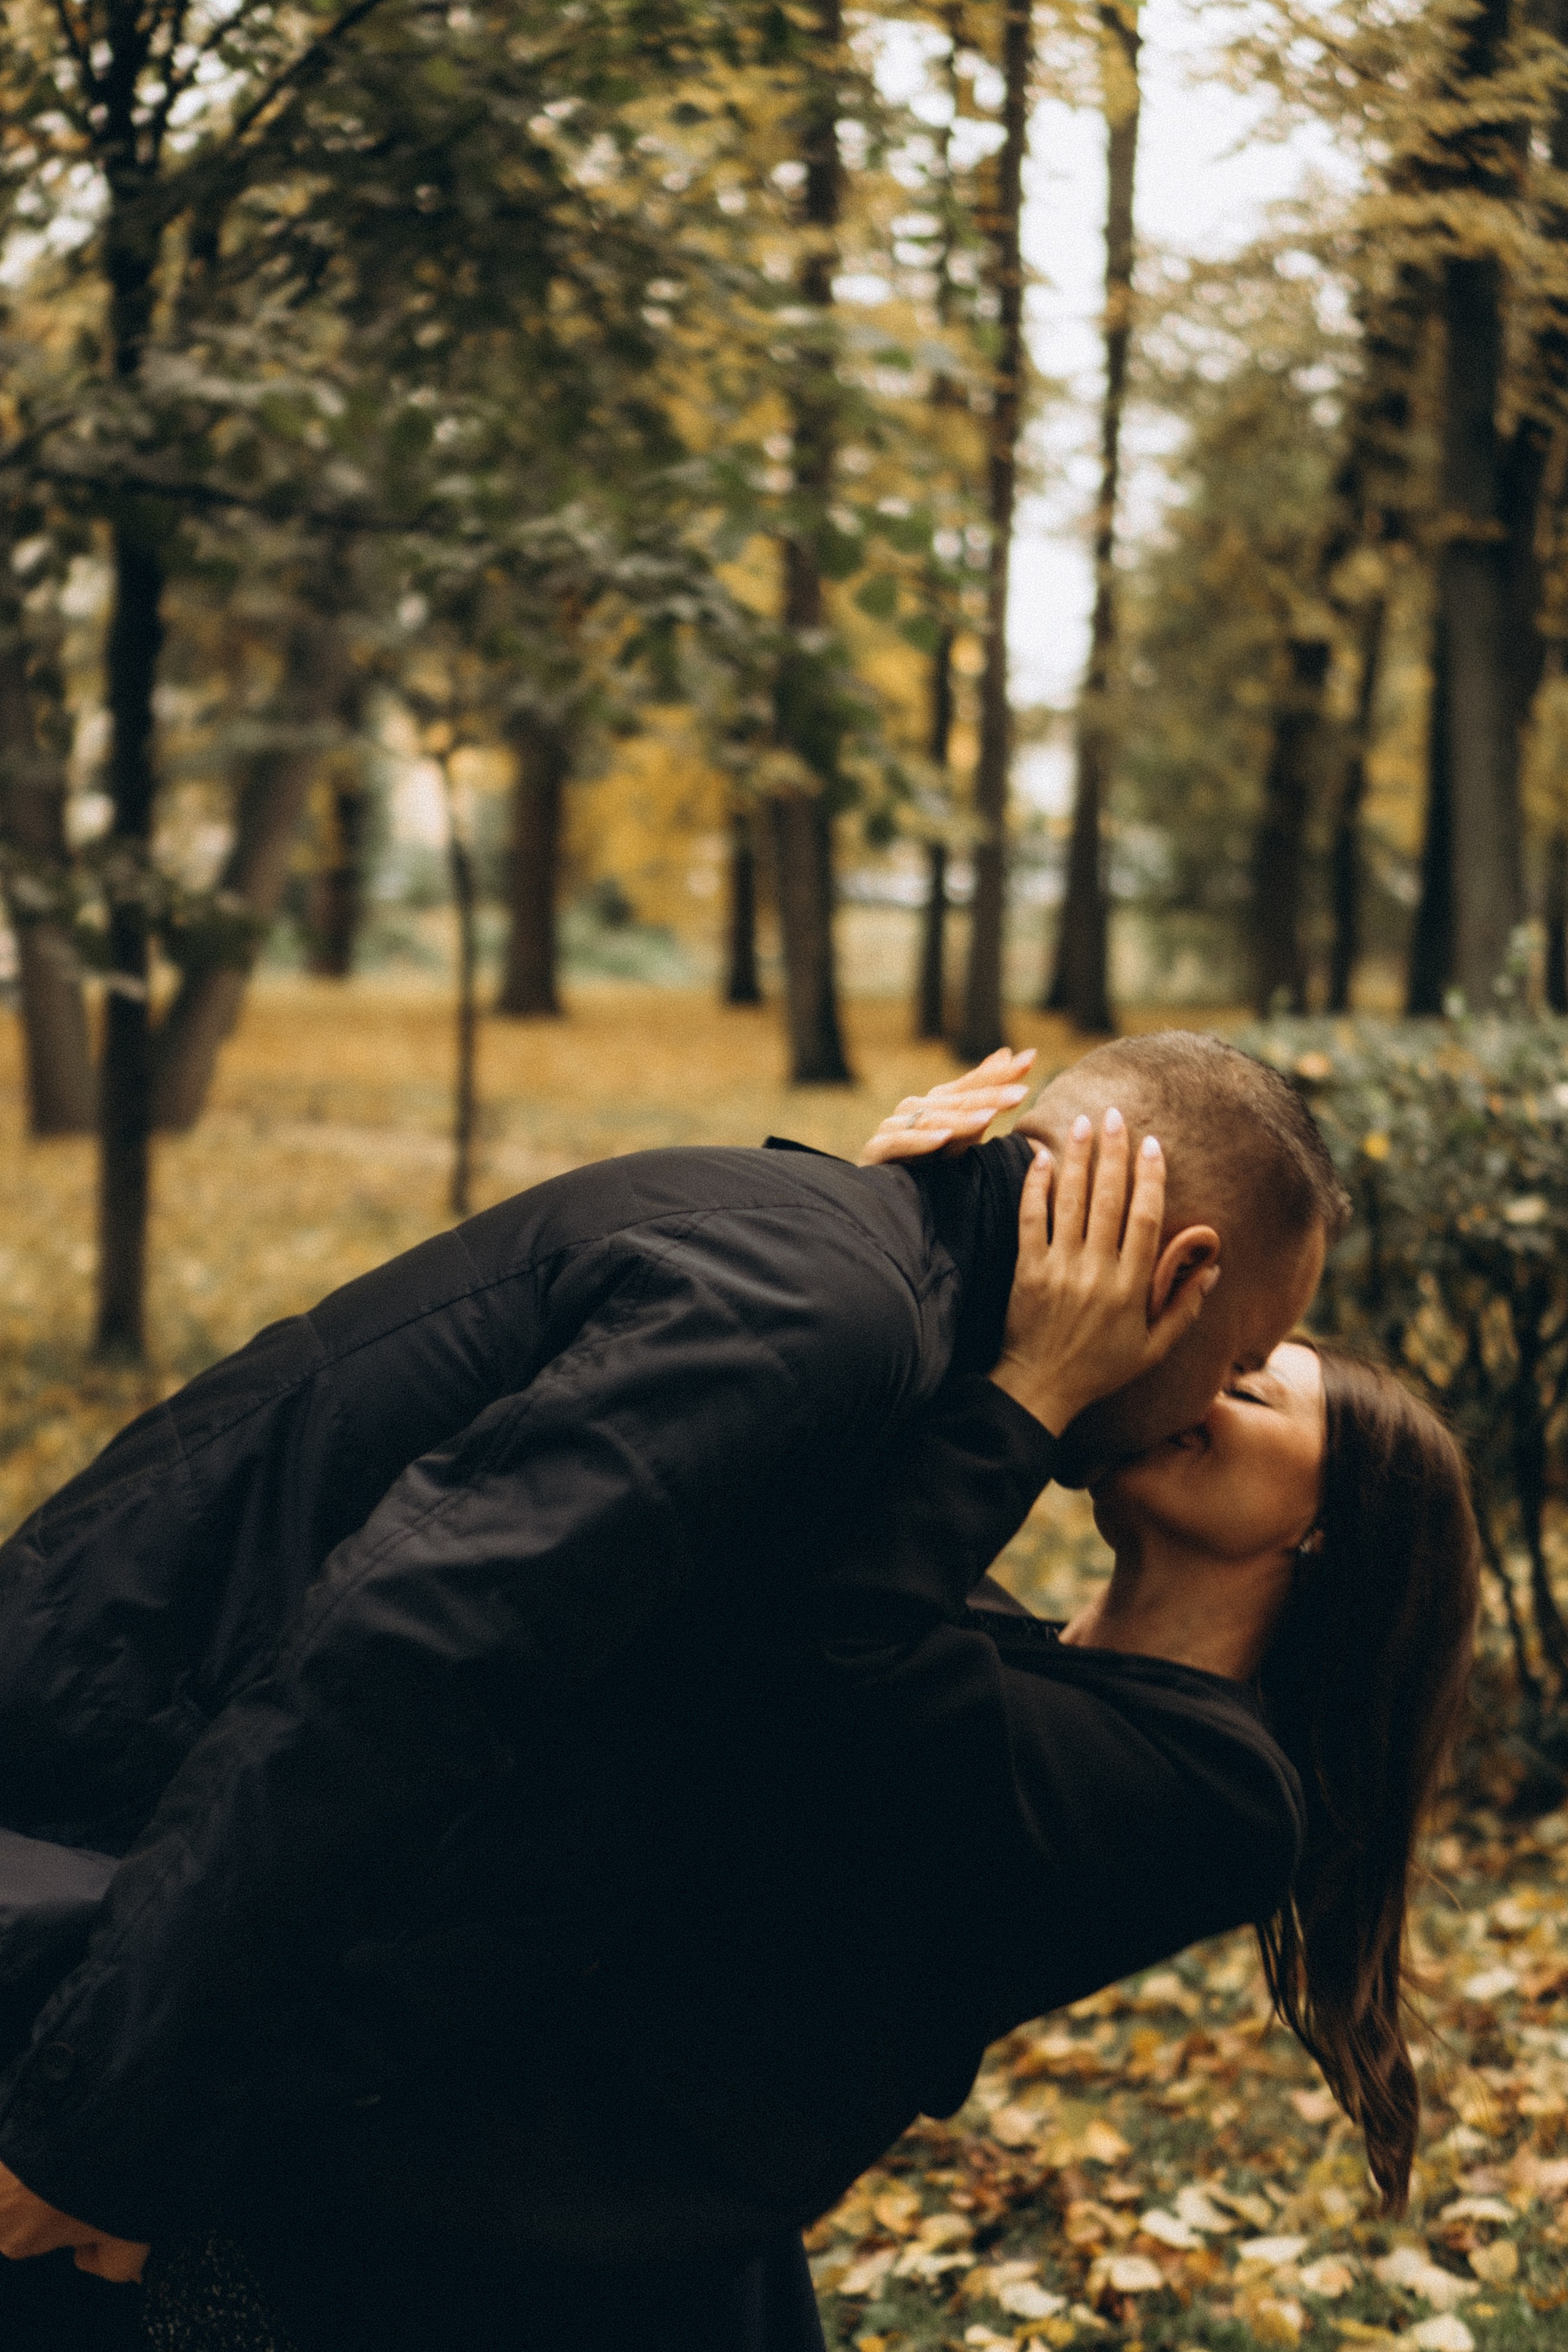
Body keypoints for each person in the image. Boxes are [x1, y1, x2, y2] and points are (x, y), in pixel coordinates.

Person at [0, 1035, 1463, 2350]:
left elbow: (811, 1654)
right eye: (1237, 1347)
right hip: (448, 2131)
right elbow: (624, 1627)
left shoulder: (1213, 1792)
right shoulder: (881, 1419)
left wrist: (957, 1332)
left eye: (1259, 1377)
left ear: (1324, 1531)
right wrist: (908, 1271)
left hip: (565, 2193)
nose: (1207, 1383)